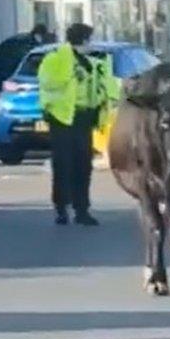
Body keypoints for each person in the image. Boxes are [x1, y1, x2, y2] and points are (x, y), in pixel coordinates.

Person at [38, 23, 118, 226]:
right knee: (63, 165)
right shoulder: (56, 59)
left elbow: (107, 88)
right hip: (62, 119)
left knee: (83, 166)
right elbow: (49, 83)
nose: (93, 43)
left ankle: (82, 209)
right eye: (91, 39)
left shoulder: (94, 62)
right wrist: (71, 69)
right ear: (83, 40)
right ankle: (61, 208)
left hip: (84, 119)